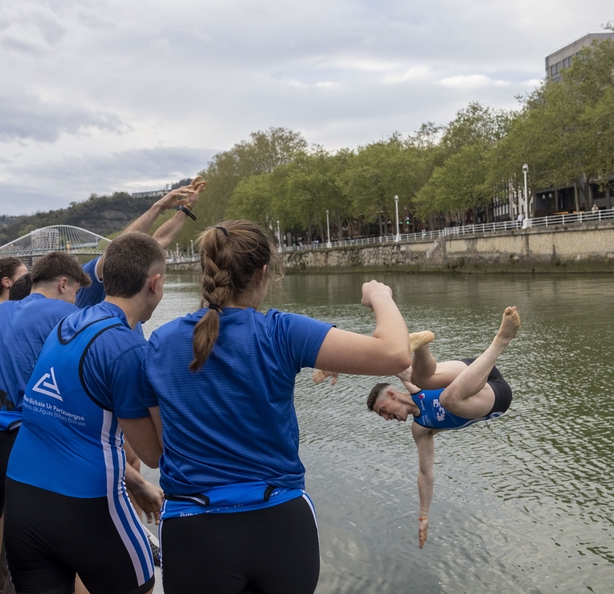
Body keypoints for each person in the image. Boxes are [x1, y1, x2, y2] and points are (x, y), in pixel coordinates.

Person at [139, 220, 412, 594]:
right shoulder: (281, 331)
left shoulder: (159, 343)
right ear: (262, 274)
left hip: (193, 528)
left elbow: (157, 450)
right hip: (279, 525)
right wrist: (380, 295)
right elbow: (396, 353)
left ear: (207, 272)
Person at [4, 233, 168, 594]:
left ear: (104, 276)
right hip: (87, 504)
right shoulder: (127, 349)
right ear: (154, 284)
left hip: (21, 496)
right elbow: (154, 454)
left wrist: (136, 483)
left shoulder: (67, 323)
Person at [363, 306, 520, 549]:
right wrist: (423, 516)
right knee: (442, 394)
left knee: (418, 378)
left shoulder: (408, 382)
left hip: (477, 370)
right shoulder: (421, 429)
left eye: (383, 411)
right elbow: (425, 473)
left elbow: (376, 354)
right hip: (494, 396)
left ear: (392, 395)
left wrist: (334, 364)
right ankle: (425, 348)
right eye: (382, 416)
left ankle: (430, 345)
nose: (386, 418)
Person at [76, 176, 206, 308]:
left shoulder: (129, 302)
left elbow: (159, 240)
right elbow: (121, 247)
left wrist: (186, 208)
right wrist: (158, 206)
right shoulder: (85, 277)